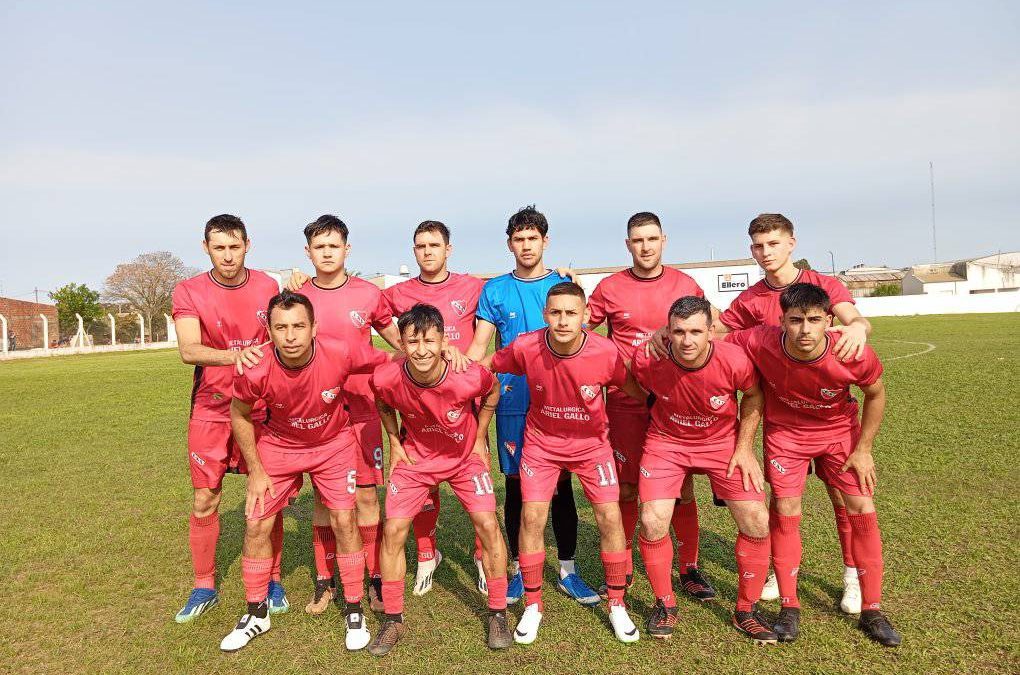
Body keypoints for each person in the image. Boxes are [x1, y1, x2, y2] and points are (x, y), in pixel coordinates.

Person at [726, 283, 901, 647]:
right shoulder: (760, 340)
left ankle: (872, 609)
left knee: (862, 507)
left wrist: (864, 448)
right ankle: (789, 607)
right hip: (786, 435)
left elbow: (876, 392)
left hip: (839, 434)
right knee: (786, 509)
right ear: (781, 321)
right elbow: (714, 336)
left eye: (813, 320)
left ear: (829, 320)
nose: (804, 330)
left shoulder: (851, 352)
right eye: (795, 321)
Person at [222, 291, 392, 652]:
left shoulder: (340, 351)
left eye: (299, 325)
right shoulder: (256, 365)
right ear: (268, 330)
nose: (290, 335)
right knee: (256, 522)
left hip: (333, 445)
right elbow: (238, 413)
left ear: (314, 327)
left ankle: (353, 607)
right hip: (280, 446)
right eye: (280, 327)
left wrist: (439, 354)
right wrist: (255, 470)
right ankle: (256, 612)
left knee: (344, 521)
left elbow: (392, 358)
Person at [480, 282, 642, 644]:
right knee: (532, 516)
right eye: (556, 313)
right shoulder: (525, 347)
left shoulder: (605, 352)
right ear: (545, 315)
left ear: (585, 315)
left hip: (592, 446)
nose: (563, 320)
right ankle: (533, 605)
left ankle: (617, 603)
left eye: (571, 313)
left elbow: (634, 389)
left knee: (609, 516)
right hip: (542, 444)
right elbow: (488, 366)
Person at [466, 205, 597, 606]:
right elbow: (478, 347)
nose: (526, 245)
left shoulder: (561, 286)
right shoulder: (495, 290)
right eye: (518, 239)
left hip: (559, 402)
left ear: (545, 241)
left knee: (560, 486)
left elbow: (584, 343)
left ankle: (568, 570)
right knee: (518, 487)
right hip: (511, 402)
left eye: (532, 238)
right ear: (510, 244)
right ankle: (523, 569)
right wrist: (456, 374)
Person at [586, 211, 716, 601]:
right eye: (638, 240)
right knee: (626, 490)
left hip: (675, 402)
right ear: (628, 245)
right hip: (625, 405)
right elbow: (579, 331)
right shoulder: (609, 287)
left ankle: (689, 567)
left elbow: (712, 331)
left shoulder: (685, 284)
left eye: (652, 239)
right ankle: (623, 564)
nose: (645, 246)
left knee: (682, 489)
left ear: (664, 241)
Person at [368, 304, 511, 655]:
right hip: (416, 460)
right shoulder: (386, 377)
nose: (421, 350)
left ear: (444, 340)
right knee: (394, 530)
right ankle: (393, 618)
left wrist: (479, 438)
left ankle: (498, 612)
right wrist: (394, 441)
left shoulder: (467, 374)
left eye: (429, 341)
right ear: (400, 343)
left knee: (488, 525)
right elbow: (382, 402)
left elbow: (492, 392)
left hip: (464, 458)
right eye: (412, 341)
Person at [631, 296, 775, 643]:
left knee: (757, 518)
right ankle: (665, 603)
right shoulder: (649, 358)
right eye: (678, 331)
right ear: (667, 331)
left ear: (711, 330)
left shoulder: (734, 359)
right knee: (651, 521)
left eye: (696, 331)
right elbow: (635, 386)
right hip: (666, 442)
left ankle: (746, 609)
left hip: (721, 443)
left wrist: (744, 448)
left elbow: (754, 396)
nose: (687, 340)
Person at [286, 215, 406, 615]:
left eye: (333, 246)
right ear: (308, 252)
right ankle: (325, 580)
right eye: (319, 247)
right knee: (324, 498)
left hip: (364, 408)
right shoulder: (300, 297)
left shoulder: (369, 294)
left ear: (346, 250)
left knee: (368, 496)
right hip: (320, 411)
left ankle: (373, 577)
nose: (326, 253)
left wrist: (429, 354)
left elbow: (398, 341)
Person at [170, 214, 287, 622]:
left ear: (247, 245)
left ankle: (273, 579)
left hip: (259, 407)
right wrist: (235, 356)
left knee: (266, 494)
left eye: (234, 247)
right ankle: (204, 585)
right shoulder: (188, 290)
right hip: (212, 406)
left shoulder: (268, 287)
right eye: (219, 248)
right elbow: (189, 349)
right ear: (206, 248)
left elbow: (283, 329)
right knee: (206, 498)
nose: (228, 256)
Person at [381, 220, 487, 595]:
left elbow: (509, 291)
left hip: (464, 400)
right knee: (423, 479)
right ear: (414, 251)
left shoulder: (473, 286)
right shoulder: (398, 293)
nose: (427, 251)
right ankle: (428, 554)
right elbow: (363, 304)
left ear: (448, 249)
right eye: (420, 246)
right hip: (420, 402)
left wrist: (560, 274)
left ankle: (481, 557)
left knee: (478, 486)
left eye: (434, 245)